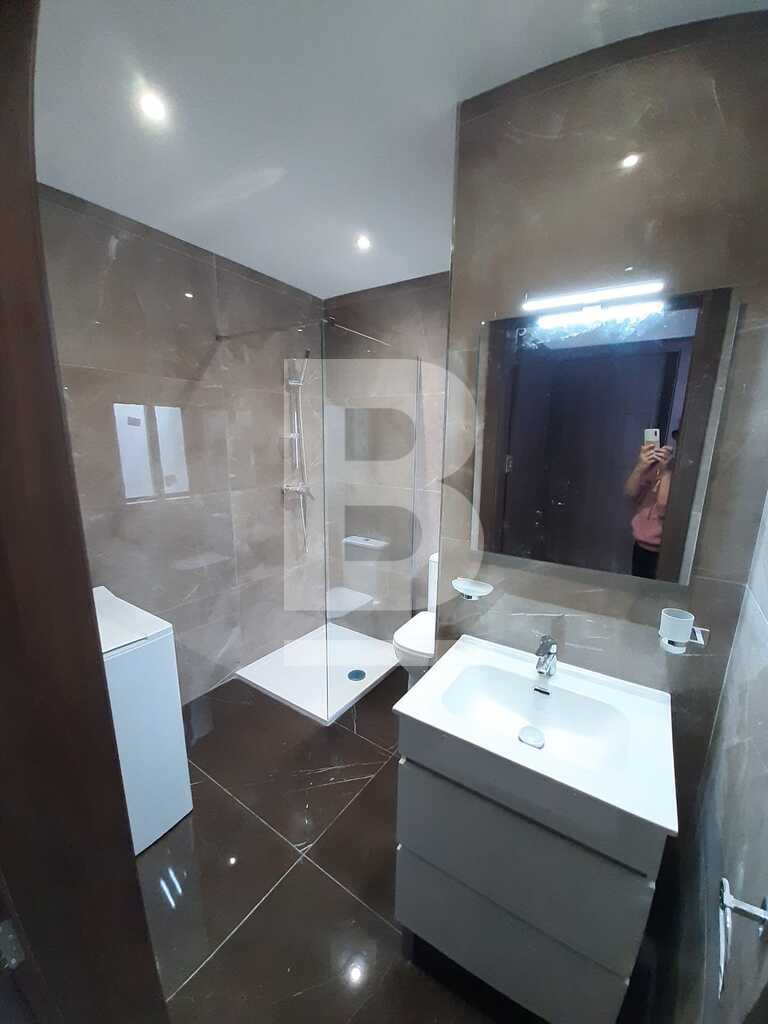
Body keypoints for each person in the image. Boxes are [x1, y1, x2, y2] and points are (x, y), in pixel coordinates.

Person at [624, 439, 675, 579]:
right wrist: (640, 467)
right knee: (637, 587)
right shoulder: (653, 466)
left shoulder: (680, 471)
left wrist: (667, 471)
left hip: (662, 552)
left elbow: (663, 508)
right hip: (640, 545)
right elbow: (629, 493)